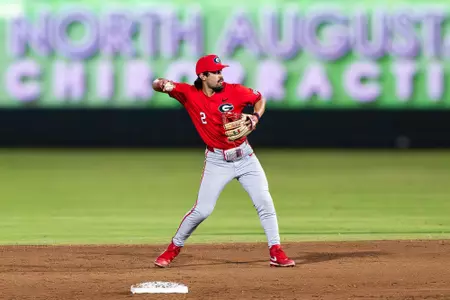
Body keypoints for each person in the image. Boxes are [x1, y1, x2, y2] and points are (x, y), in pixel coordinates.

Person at [152, 54, 295, 268]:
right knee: (203, 210)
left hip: (246, 157)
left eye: (221, 71)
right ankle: (173, 248)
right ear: (202, 75)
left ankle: (276, 251)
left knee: (264, 201)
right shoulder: (188, 94)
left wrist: (255, 117)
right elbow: (156, 84)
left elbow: (259, 99)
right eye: (216, 72)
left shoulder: (235, 91)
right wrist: (161, 83)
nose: (221, 76)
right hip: (217, 161)